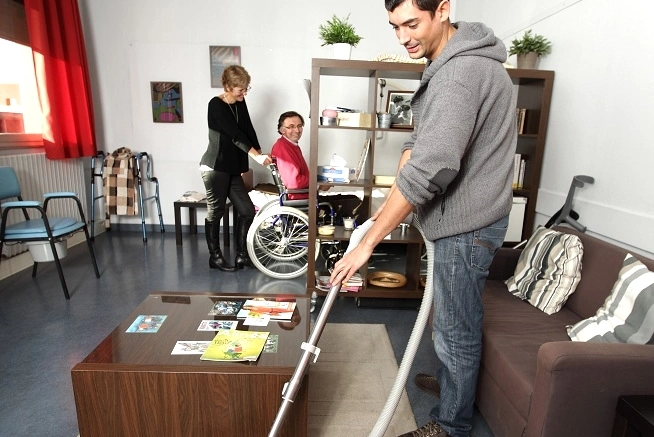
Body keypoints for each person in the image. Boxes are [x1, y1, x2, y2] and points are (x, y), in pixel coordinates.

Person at [330, 1, 517, 437]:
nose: (403, 37)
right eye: (395, 26)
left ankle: (451, 424)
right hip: (465, 219)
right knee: (450, 322)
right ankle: (457, 385)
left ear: (444, 9)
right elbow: (421, 146)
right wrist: (390, 197)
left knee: (455, 331)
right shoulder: (452, 62)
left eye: (412, 23)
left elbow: (434, 166)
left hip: (466, 226)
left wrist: (369, 242)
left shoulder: (459, 73)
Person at [199, 65, 272, 271]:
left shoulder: (240, 103)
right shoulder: (215, 105)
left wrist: (260, 151)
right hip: (215, 166)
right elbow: (234, 134)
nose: (245, 93)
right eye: (241, 89)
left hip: (231, 168)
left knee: (247, 211)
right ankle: (215, 257)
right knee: (217, 211)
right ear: (228, 87)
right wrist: (256, 157)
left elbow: (247, 128)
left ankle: (242, 256)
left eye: (247, 88)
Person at [270, 111, 362, 224]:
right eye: (291, 127)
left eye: (299, 126)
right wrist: (318, 184)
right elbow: (294, 182)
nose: (297, 130)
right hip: (301, 200)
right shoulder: (283, 148)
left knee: (353, 198)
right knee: (355, 203)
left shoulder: (290, 145)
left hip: (307, 196)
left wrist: (322, 181)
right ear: (281, 130)